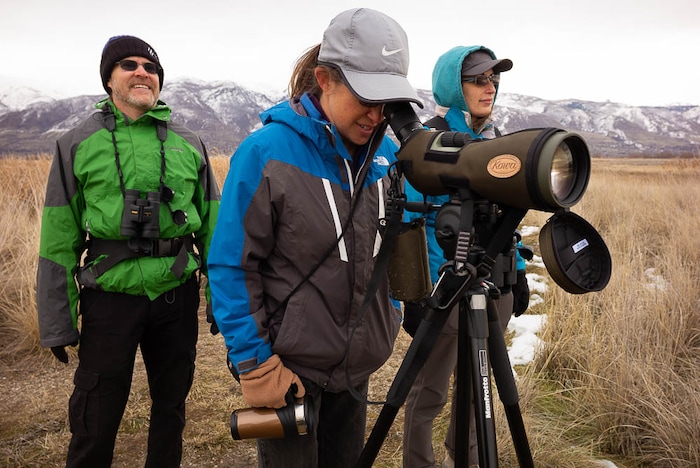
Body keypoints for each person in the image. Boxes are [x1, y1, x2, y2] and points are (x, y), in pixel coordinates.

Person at [207, 8, 422, 468]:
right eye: (367, 96)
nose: (377, 114)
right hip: (289, 372)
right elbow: (230, 266)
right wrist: (255, 363)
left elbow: (399, 242)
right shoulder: (264, 154)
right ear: (325, 79)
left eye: (388, 101)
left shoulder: (389, 155)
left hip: (357, 369)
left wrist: (393, 310)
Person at [36, 35, 220, 467]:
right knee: (95, 415)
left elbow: (215, 229)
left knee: (171, 407)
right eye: (129, 65)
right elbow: (58, 239)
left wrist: (222, 301)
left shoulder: (189, 141)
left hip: (175, 294)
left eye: (151, 67)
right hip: (109, 296)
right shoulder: (76, 143)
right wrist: (57, 320)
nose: (143, 72)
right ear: (108, 79)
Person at [401, 45, 529, 468]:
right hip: (445, 291)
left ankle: (470, 460)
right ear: (453, 86)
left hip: (495, 289)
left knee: (481, 393)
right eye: (477, 79)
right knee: (428, 395)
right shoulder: (429, 144)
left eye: (493, 79)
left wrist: (520, 272)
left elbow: (506, 218)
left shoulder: (496, 141)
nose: (489, 87)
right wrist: (418, 294)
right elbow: (410, 221)